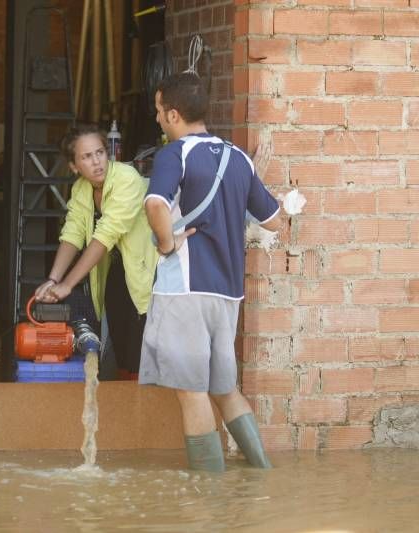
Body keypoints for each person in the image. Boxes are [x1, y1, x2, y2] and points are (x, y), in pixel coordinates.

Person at [141, 72, 281, 472]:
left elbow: (155, 205)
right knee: (225, 389)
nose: (156, 119)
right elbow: (272, 220)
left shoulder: (175, 154)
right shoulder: (238, 158)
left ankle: (209, 497)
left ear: (172, 114)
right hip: (228, 294)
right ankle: (261, 475)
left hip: (185, 290)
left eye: (157, 111)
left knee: (192, 392)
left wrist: (167, 243)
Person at [34, 123, 157, 379]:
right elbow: (72, 233)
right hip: (115, 272)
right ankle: (126, 404)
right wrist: (53, 279)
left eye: (100, 152)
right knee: (122, 347)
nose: (97, 162)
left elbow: (104, 236)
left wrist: (67, 284)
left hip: (145, 275)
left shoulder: (126, 178)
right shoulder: (82, 188)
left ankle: (141, 409)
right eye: (87, 157)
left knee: (141, 351)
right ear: (73, 166)